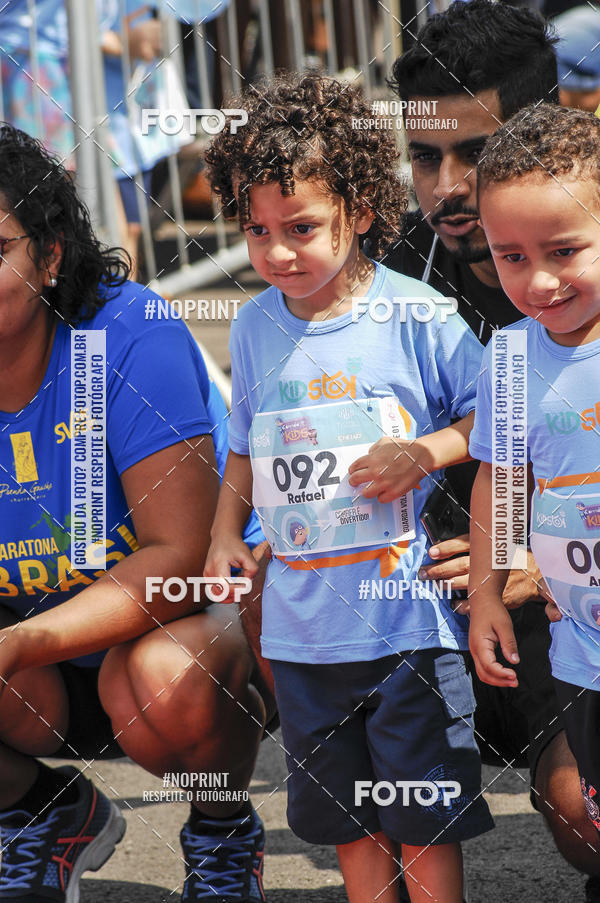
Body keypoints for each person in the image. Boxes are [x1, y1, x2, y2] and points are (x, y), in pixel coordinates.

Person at [204, 72, 493, 903]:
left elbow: (497, 422)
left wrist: (426, 452)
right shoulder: (255, 325)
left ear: (361, 211)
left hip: (407, 627)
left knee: (421, 818)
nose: (276, 253)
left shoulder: (419, 315)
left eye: (301, 228)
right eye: (257, 231)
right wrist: (227, 532)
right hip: (304, 639)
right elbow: (246, 447)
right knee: (349, 823)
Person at [0, 122, 274, 903]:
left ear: (50, 256)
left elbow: (181, 556)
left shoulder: (125, 332)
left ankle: (221, 825)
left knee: (160, 681)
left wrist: (21, 639)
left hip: (181, 628)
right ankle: (39, 810)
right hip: (36, 663)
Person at [385, 3, 600, 898]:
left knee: (580, 816)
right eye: (425, 155)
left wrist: (528, 556)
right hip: (443, 608)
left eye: (474, 152)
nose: (446, 186)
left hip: (561, 614)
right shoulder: (378, 279)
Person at [468, 99, 600, 850]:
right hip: (582, 651)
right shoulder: (511, 358)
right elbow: (501, 479)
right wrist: (489, 587)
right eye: (512, 256)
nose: (540, 281)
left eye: (564, 250)